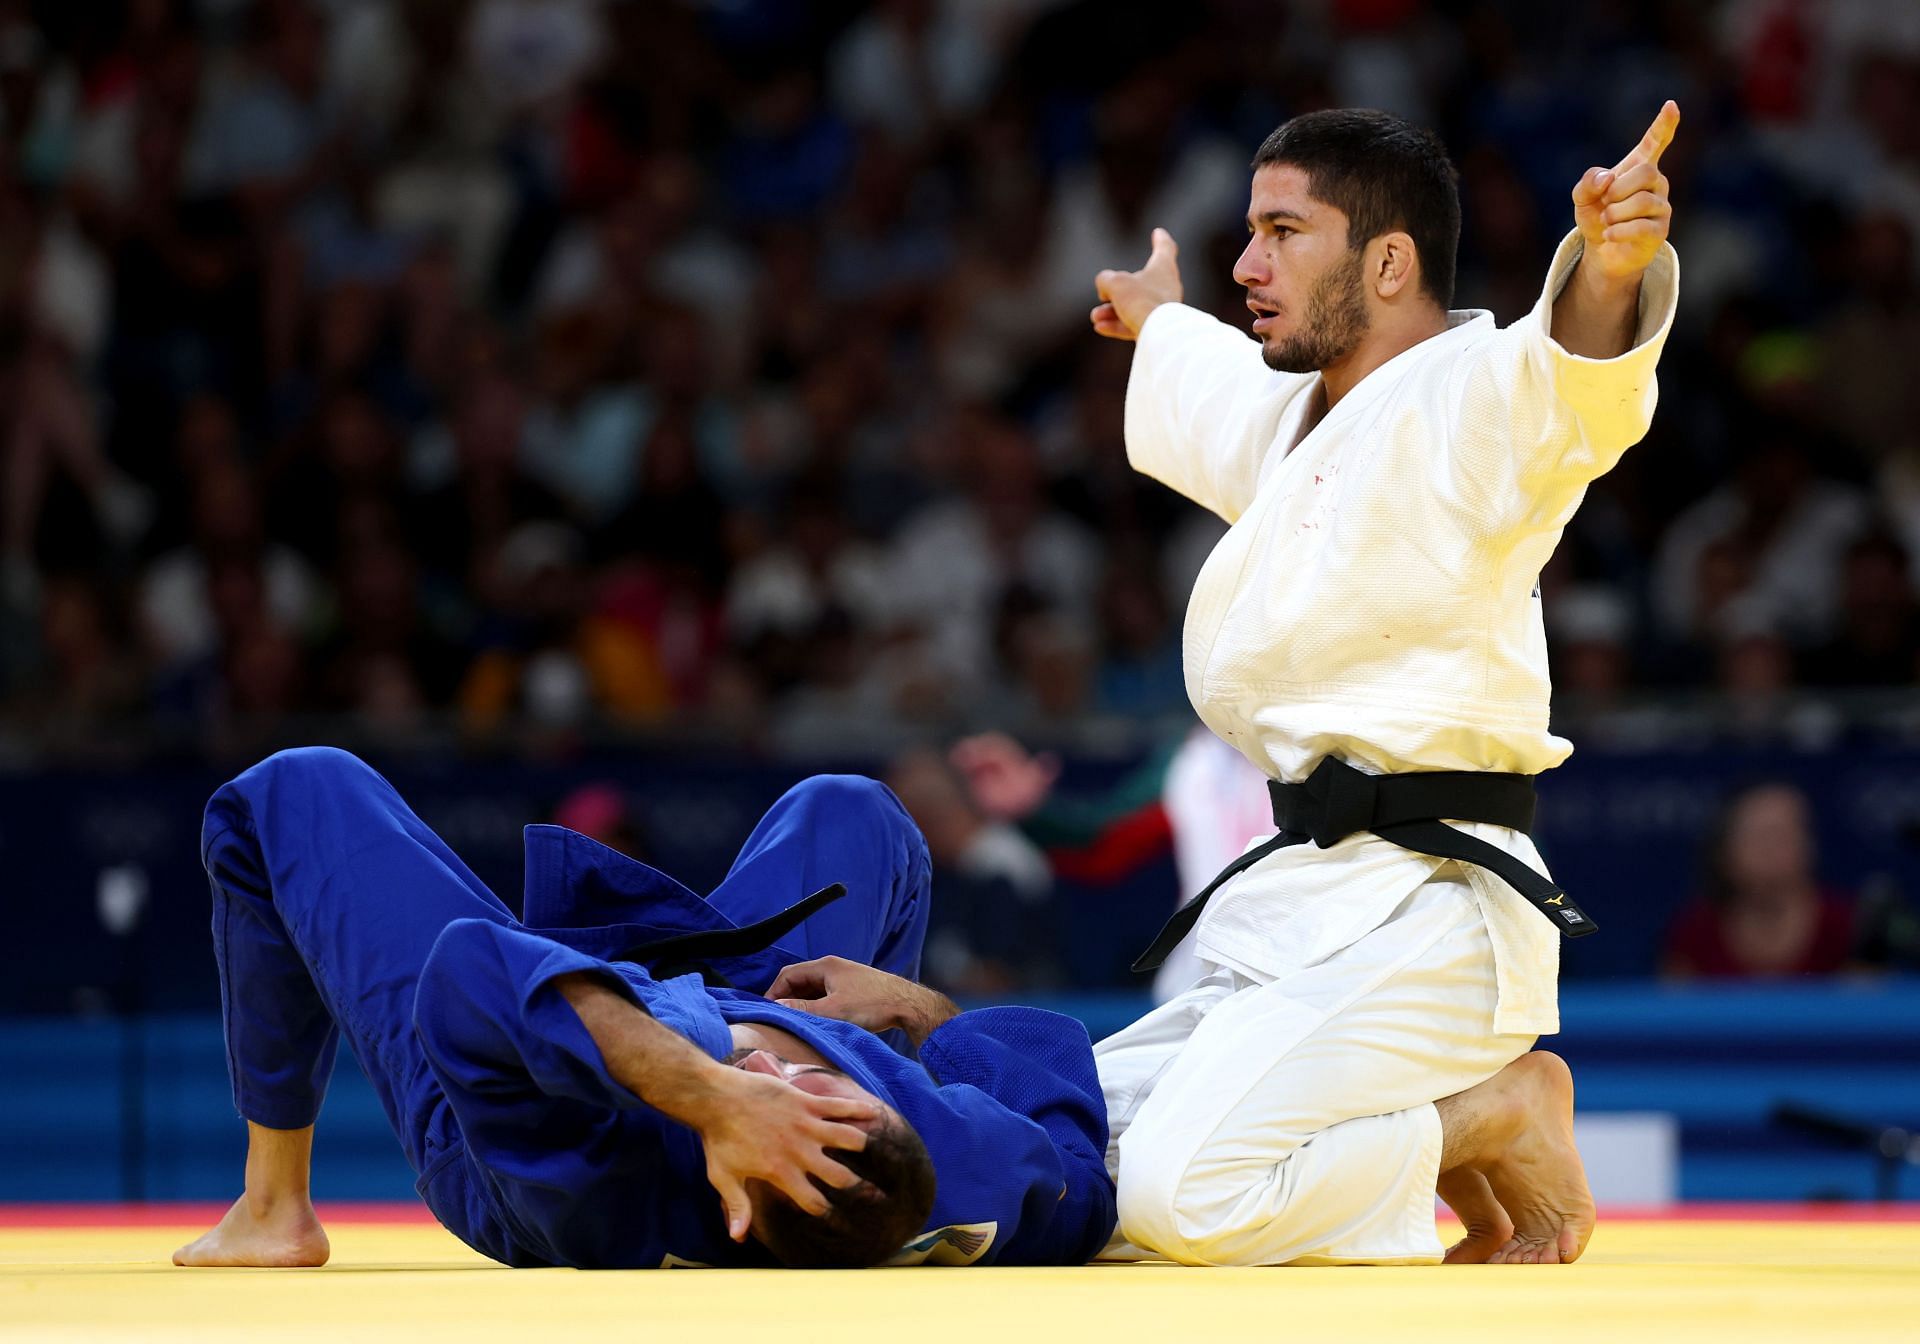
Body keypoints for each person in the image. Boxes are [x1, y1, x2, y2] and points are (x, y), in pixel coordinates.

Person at [1082, 103, 1683, 1265]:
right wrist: (1163, 321)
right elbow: (1214, 379)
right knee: (1074, 1158)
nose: (1247, 265)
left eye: (1281, 232)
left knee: (1179, 1196)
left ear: (1389, 261)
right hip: (1298, 913)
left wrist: (1608, 276)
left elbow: (1570, 386)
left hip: (1434, 912)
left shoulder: (1473, 400)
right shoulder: (1293, 417)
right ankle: (1452, 1124)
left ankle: (1490, 1114)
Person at [172, 747, 1115, 1271]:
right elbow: (1070, 1128)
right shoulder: (987, 1174)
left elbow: (481, 975)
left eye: (767, 1105)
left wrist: (711, 1097)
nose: (771, 1070)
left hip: (513, 1086)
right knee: (856, 808)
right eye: (820, 1085)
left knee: (289, 792)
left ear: (737, 1204)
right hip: (732, 994)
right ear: (901, 1107)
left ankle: (271, 1209)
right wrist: (912, 1008)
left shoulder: (613, 1177)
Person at [1664, 782, 1858, 980]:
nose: (1770, 851)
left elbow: (1864, 1002)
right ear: (1724, 852)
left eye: (1782, 835)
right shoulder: (1695, 934)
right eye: (1759, 837)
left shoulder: (1847, 928)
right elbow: (1673, 1005)